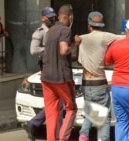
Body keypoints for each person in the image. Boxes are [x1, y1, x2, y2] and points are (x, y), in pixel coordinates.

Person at [77, 11, 119, 141]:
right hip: (99, 83)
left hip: (86, 83)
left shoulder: (82, 39)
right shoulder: (105, 36)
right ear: (101, 25)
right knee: (104, 117)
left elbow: (80, 61)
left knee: (91, 112)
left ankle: (83, 134)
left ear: (89, 25)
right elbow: (124, 40)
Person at [40, 4, 80, 141]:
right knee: (71, 108)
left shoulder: (50, 30)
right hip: (61, 78)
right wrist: (75, 44)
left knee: (51, 112)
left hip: (46, 77)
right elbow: (63, 50)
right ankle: (63, 138)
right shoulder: (65, 30)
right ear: (70, 17)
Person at [21, 6, 61, 141]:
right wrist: (48, 49)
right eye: (49, 17)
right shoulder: (40, 32)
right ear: (43, 18)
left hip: (55, 67)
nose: (52, 19)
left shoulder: (54, 29)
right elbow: (33, 50)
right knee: (57, 103)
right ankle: (55, 134)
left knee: (55, 103)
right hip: (47, 68)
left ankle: (33, 123)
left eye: (53, 17)